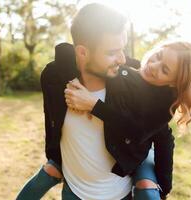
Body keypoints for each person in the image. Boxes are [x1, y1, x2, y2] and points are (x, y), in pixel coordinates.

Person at [17, 3, 133, 200]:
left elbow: (145, 132)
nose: (122, 59)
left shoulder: (131, 82)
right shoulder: (53, 78)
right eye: (112, 52)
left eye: (122, 49)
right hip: (74, 192)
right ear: (82, 53)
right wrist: (56, 159)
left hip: (121, 192)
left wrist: (94, 105)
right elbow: (52, 124)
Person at [64, 40, 191, 199]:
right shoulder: (130, 69)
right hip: (83, 163)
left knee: (148, 189)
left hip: (128, 162)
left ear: (173, 83)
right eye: (158, 55)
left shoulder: (164, 104)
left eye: (165, 70)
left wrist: (93, 105)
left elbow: (137, 131)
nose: (154, 66)